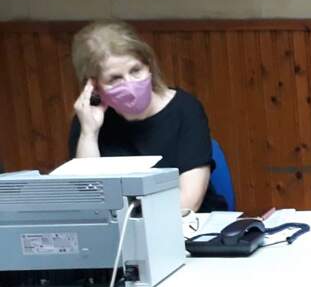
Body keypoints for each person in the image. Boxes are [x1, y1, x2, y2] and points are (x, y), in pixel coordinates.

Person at [68, 20, 227, 213]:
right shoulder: (87, 120)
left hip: (187, 223)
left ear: (149, 65)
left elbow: (188, 203)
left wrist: (128, 214)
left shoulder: (184, 109)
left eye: (136, 70)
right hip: (120, 227)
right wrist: (89, 134)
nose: (130, 85)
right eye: (115, 79)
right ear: (93, 86)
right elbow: (91, 203)